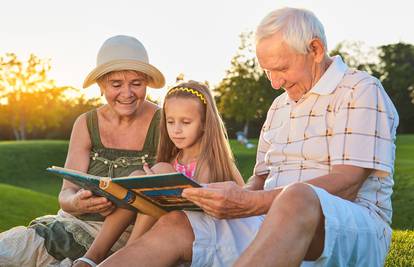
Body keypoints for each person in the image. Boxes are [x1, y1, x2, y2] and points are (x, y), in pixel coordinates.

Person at [99, 7, 399, 267]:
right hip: (270, 221)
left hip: (352, 228)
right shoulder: (279, 106)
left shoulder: (360, 89)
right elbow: (258, 182)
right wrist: (223, 194)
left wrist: (252, 203)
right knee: (178, 224)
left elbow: (347, 183)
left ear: (316, 50)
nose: (274, 82)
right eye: (267, 71)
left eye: (281, 68)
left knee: (296, 196)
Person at [0, 34, 165, 266]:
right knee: (7, 250)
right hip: (72, 227)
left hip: (129, 238)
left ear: (146, 82)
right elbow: (65, 195)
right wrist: (77, 202)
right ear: (101, 86)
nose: (127, 93)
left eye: (136, 84)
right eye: (116, 84)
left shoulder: (165, 123)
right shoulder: (86, 124)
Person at [75, 80, 245, 266]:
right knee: (138, 177)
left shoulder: (210, 163)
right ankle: (93, 256)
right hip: (162, 226)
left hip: (197, 233)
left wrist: (158, 187)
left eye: (186, 122)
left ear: (204, 124)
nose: (176, 130)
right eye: (170, 122)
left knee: (158, 176)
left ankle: (127, 254)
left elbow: (214, 211)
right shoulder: (174, 158)